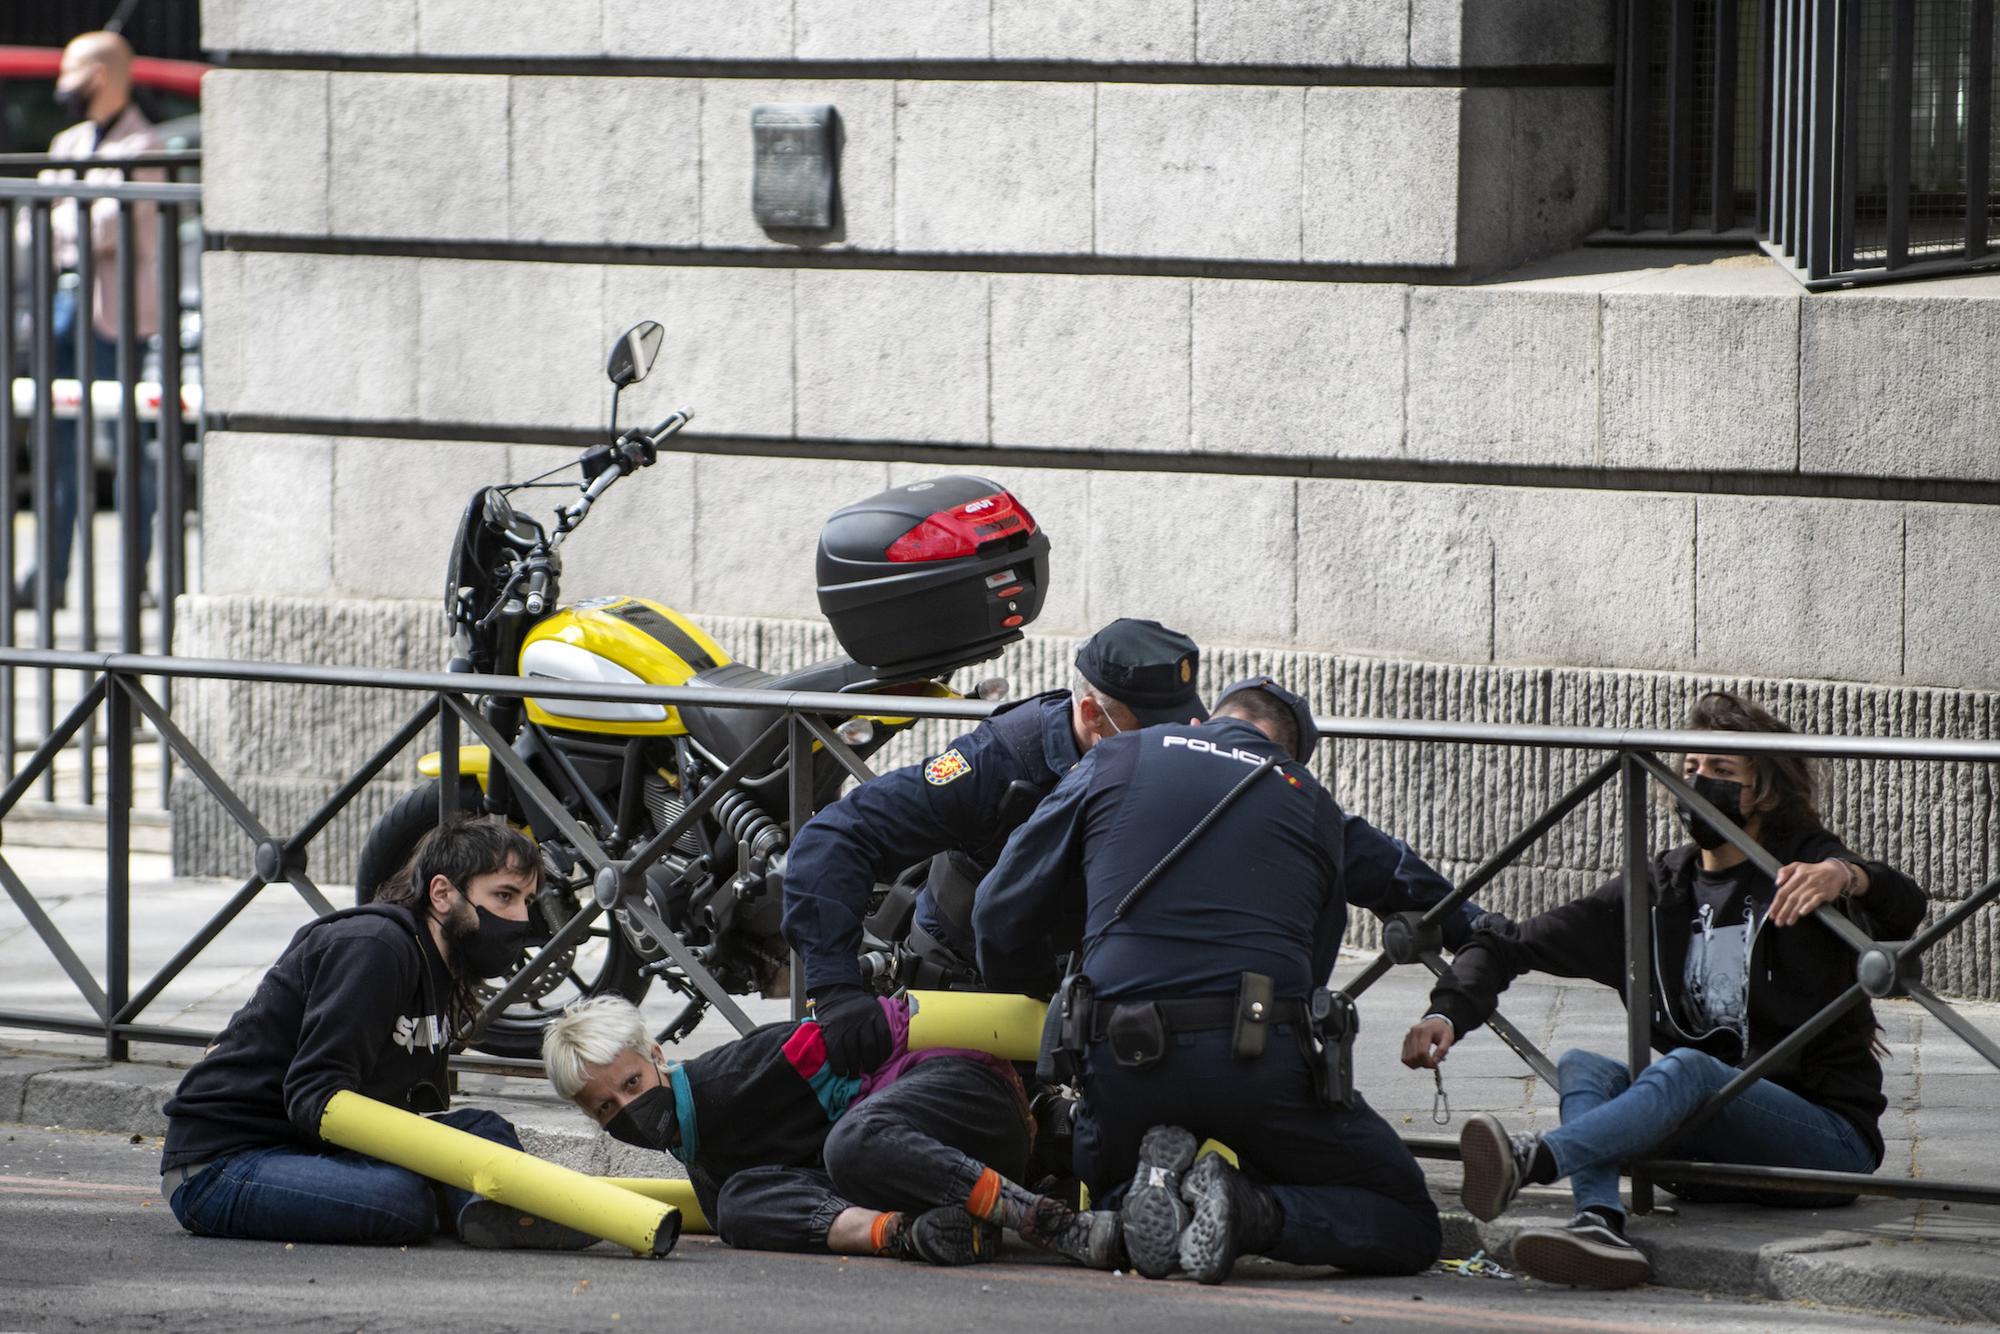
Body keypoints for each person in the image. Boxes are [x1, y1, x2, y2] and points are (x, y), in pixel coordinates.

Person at [1401, 690, 1927, 1290]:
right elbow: (1507, 942)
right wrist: (1446, 1013)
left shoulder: (1800, 866)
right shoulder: (1656, 890)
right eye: (1690, 770)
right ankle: (1597, 1223)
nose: (1700, 783)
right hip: (1704, 1156)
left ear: (1767, 793)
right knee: (1583, 1066)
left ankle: (1535, 1159)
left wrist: (1847, 875)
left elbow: (1905, 907)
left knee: (1688, 1067)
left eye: (1723, 771)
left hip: (1823, 1147)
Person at [974, 676, 1446, 1285]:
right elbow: (1317, 970)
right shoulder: (1311, 801)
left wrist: (1034, 992)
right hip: (1257, 1056)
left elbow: (999, 907)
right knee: (1409, 1220)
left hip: (1120, 1054)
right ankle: (1253, 1211)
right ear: (1285, 754)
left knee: (1114, 1184)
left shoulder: (1120, 755)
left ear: (1202, 724)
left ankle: (1140, 1195)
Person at [782, 617, 1208, 1075]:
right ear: (1090, 714)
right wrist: (835, 990)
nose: (1175, 740)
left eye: (1181, 724)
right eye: (1152, 727)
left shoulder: (1183, 756)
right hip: (969, 1003)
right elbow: (838, 835)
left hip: (1094, 1001)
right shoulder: (1001, 762)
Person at [159, 816, 590, 1249]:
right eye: (504, 896)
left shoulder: (439, 961)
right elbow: (313, 1097)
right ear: (442, 894)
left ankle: (495, 1211)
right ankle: (485, 1207)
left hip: (315, 1150)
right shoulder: (377, 946)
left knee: (482, 1127)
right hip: (223, 1167)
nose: (520, 918)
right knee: (397, 1200)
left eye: (527, 901)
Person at [541, 994, 1120, 1267]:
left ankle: (1047, 1222)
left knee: (852, 1142)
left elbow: (878, 1025)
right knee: (735, 1213)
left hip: (972, 1098)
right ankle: (910, 1234)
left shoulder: (746, 1071)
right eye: (607, 1110)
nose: (627, 1109)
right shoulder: (706, 1168)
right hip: (934, 1178)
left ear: (657, 1056)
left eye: (633, 1084)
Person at [18, 30, 162, 609]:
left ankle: (138, 580)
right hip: (64, 304)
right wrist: (71, 217)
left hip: (119, 316)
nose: (63, 90)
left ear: (99, 77)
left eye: (71, 77)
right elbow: (35, 226)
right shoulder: (70, 141)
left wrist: (63, 213)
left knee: (127, 450)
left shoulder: (144, 146)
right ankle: (48, 577)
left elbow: (111, 229)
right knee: (57, 448)